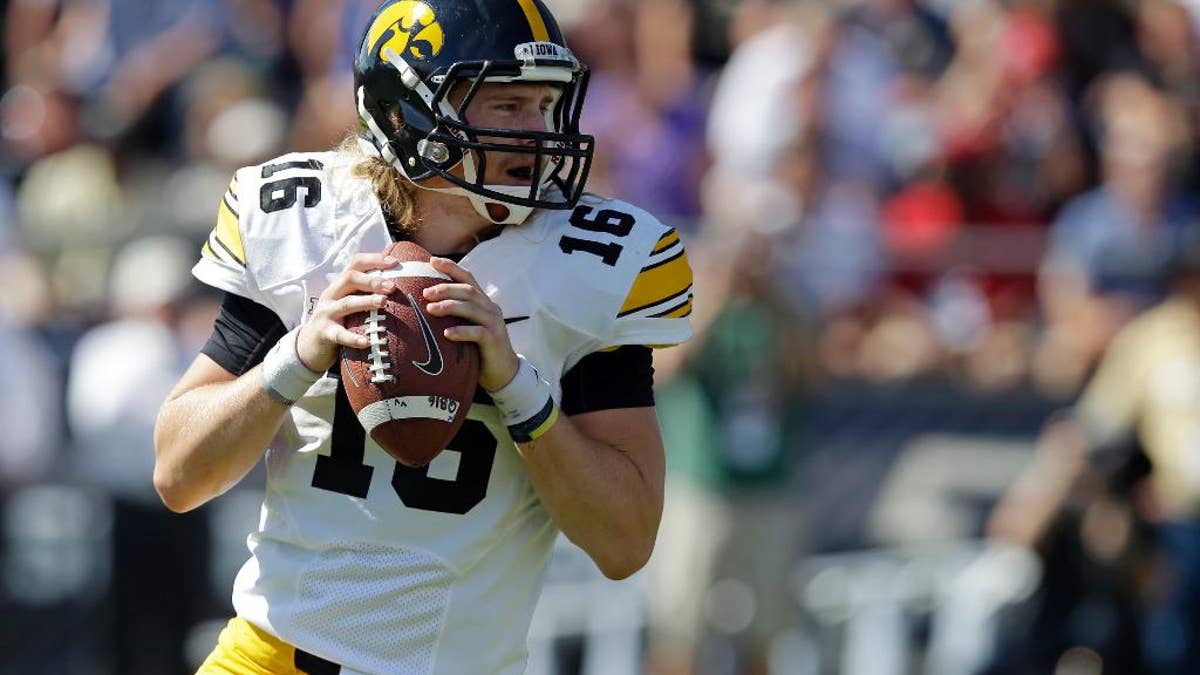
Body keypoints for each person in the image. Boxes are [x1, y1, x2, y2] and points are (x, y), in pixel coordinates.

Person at [152, 1, 693, 673]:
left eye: (545, 104)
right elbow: (177, 473)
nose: (540, 130)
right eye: (507, 105)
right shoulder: (306, 227)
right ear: (408, 112)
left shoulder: (594, 264)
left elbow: (625, 539)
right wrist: (294, 358)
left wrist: (519, 389)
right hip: (273, 657)